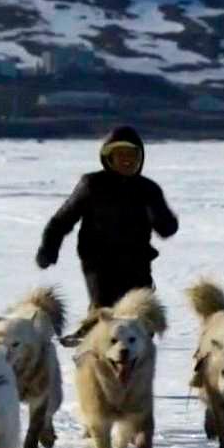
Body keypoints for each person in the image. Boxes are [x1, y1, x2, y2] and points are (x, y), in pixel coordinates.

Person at [35, 125, 179, 313]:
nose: (126, 160)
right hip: (99, 264)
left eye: (131, 155)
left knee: (140, 318)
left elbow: (167, 229)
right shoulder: (92, 185)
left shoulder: (148, 189)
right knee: (106, 313)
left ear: (140, 158)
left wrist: (159, 216)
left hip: (137, 264)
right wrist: (48, 250)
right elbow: (61, 221)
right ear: (109, 158)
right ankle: (93, 329)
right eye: (120, 155)